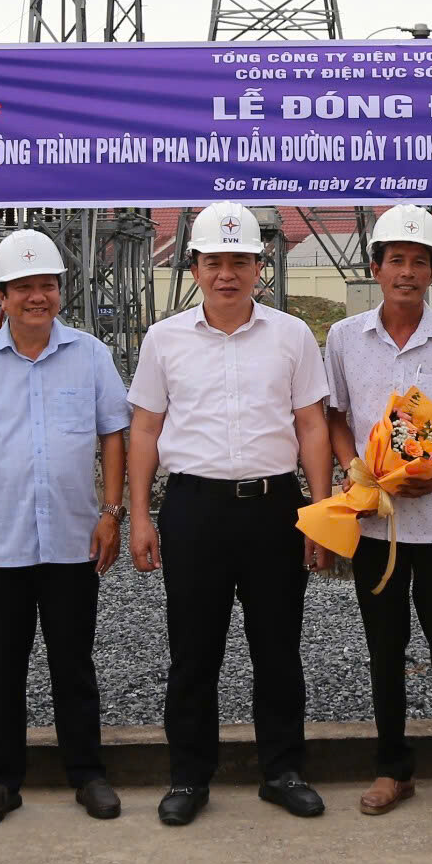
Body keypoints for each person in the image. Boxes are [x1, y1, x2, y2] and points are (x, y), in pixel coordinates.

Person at [125, 201, 334, 826]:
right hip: (195, 510)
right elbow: (145, 429)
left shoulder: (291, 335)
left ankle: (283, 770)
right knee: (193, 652)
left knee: (278, 648)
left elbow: (312, 426)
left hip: (275, 509)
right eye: (213, 262)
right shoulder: (164, 340)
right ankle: (189, 777)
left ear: (258, 266)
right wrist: (140, 515)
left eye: (239, 261)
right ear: (193, 268)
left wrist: (321, 512)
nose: (226, 274)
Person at [0, 228, 133, 828]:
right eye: (22, 287)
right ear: (1, 296)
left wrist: (112, 513)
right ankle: (1, 782)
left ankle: (88, 774)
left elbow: (113, 435)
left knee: (74, 665)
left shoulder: (90, 355)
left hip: (74, 541)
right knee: (2, 670)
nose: (36, 297)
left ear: (60, 291)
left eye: (46, 285)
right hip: (0, 545)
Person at [322, 205, 432, 816]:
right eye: (395, 260)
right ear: (375, 268)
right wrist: (355, 468)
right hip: (379, 524)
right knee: (385, 649)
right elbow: (335, 416)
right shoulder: (345, 339)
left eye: (419, 262)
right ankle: (392, 769)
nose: (407, 272)